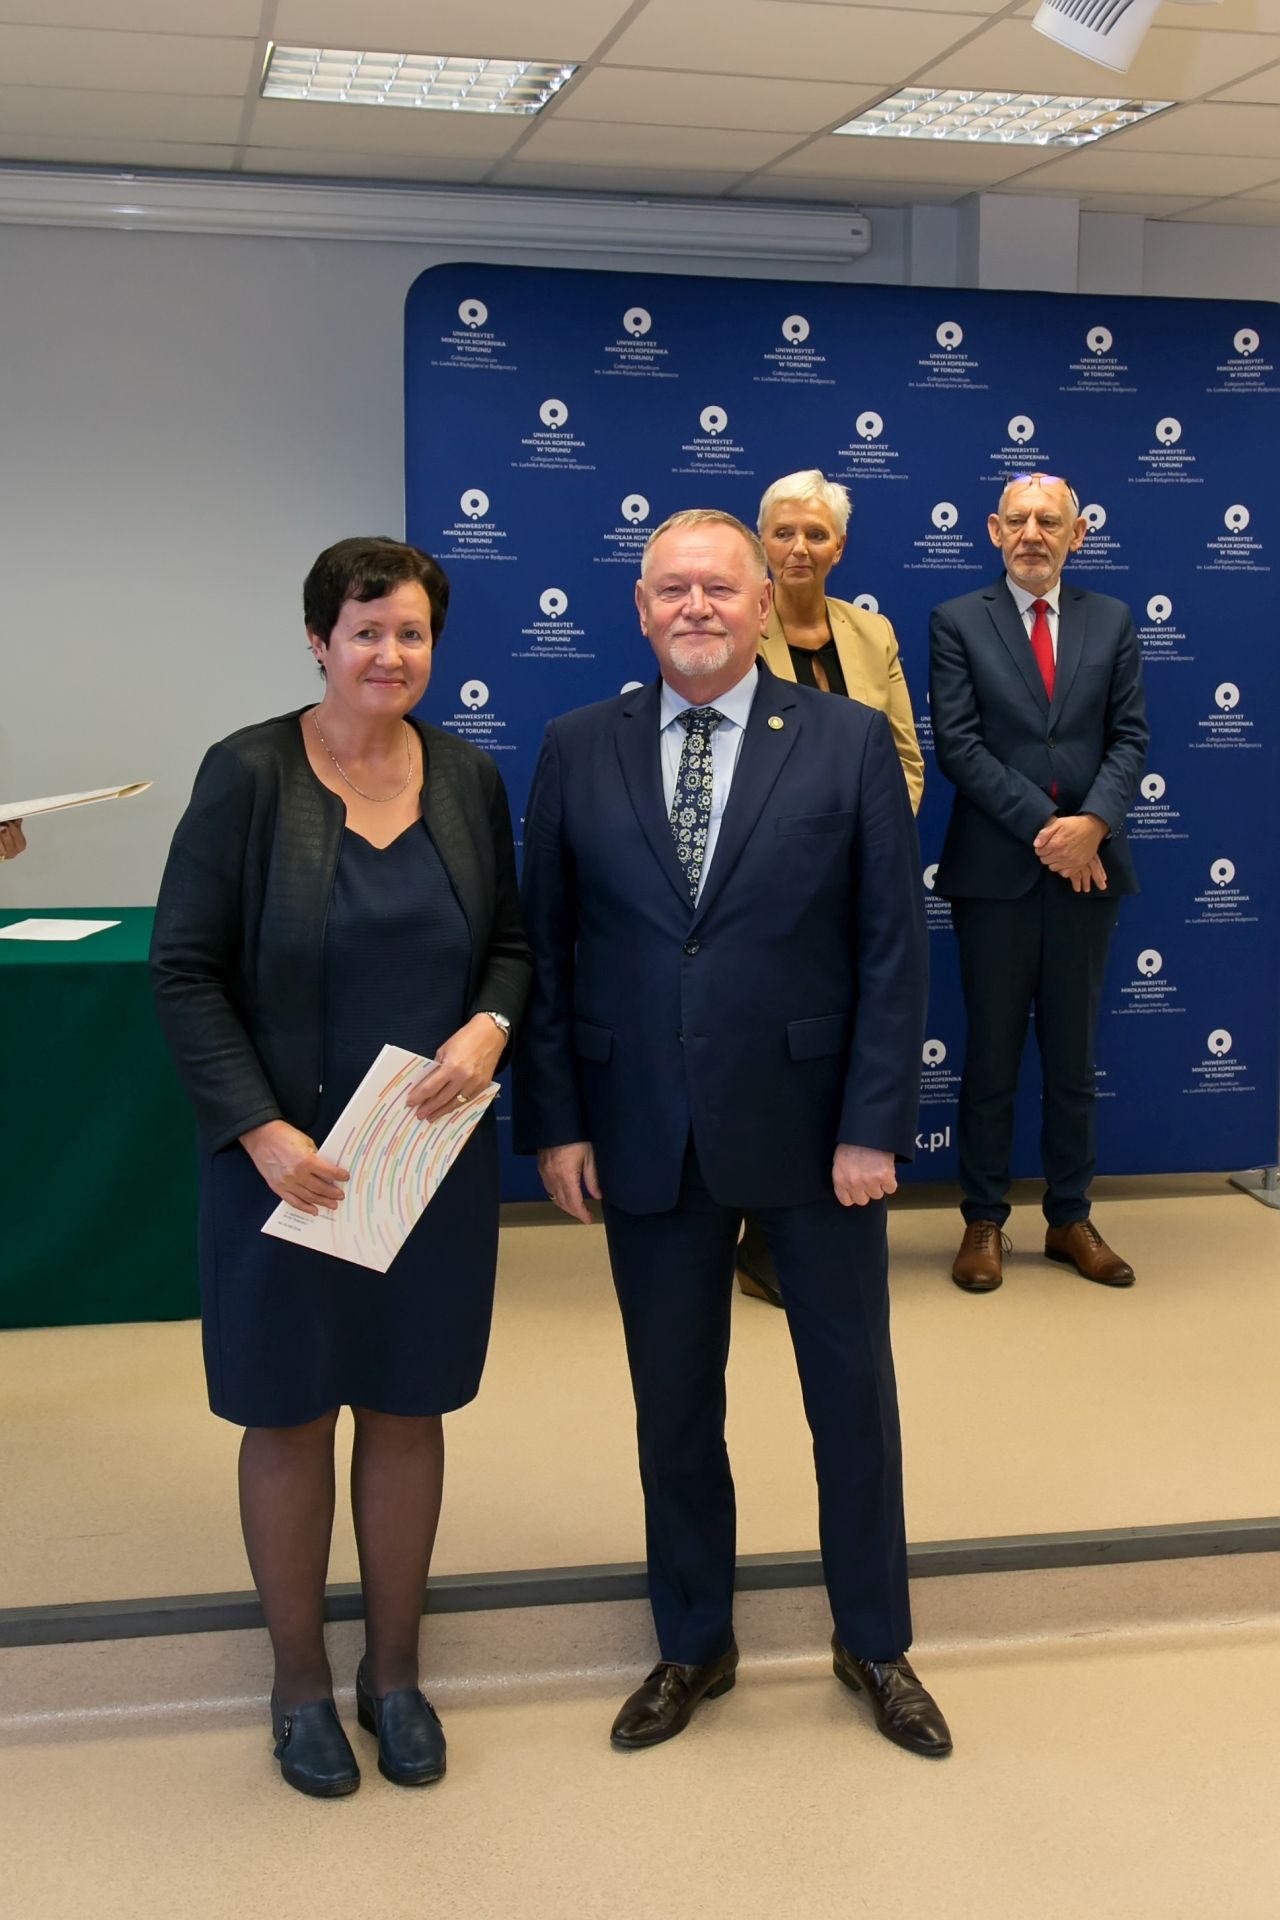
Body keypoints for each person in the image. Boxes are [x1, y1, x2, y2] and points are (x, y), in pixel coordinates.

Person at [516, 509, 950, 1761]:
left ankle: (874, 1641)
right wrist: (558, 1123)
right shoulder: (575, 744)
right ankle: (692, 1640)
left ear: (764, 605)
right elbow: (545, 948)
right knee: (672, 1406)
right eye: (672, 590)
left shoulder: (846, 740)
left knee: (850, 1402)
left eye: (719, 587)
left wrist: (873, 1123)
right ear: (639, 609)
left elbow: (890, 947)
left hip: (819, 1137)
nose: (695, 607)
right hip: (642, 1128)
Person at [151, 537, 530, 1798]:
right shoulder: (247, 773)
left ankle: (395, 1675)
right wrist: (258, 1131)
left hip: (424, 1161)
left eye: (411, 632)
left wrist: (490, 1025)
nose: (389, 654)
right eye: (366, 631)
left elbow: (511, 943)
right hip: (286, 1166)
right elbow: (185, 969)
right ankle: (300, 1682)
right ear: (319, 642)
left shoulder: (467, 776)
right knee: (290, 1411)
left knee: (409, 1405)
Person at [929, 474, 1148, 1295]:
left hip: (1091, 870)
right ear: (993, 530)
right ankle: (984, 1218)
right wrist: (1052, 831)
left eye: (1048, 521)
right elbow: (959, 745)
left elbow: (1129, 738)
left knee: (1074, 1057)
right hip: (996, 875)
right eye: (1017, 520)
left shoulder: (1112, 620)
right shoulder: (958, 620)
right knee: (990, 1054)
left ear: (1076, 534)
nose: (1032, 534)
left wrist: (1093, 825)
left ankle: (1070, 1217)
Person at [738, 469, 925, 1306]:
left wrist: (871, 842)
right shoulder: (739, 624)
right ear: (762, 542)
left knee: (845, 1046)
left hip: (858, 882)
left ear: (839, 547)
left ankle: (818, 1222)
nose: (799, 547)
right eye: (784, 532)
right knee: (767, 1050)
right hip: (765, 883)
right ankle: (757, 1237)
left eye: (816, 534)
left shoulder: (871, 632)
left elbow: (905, 756)